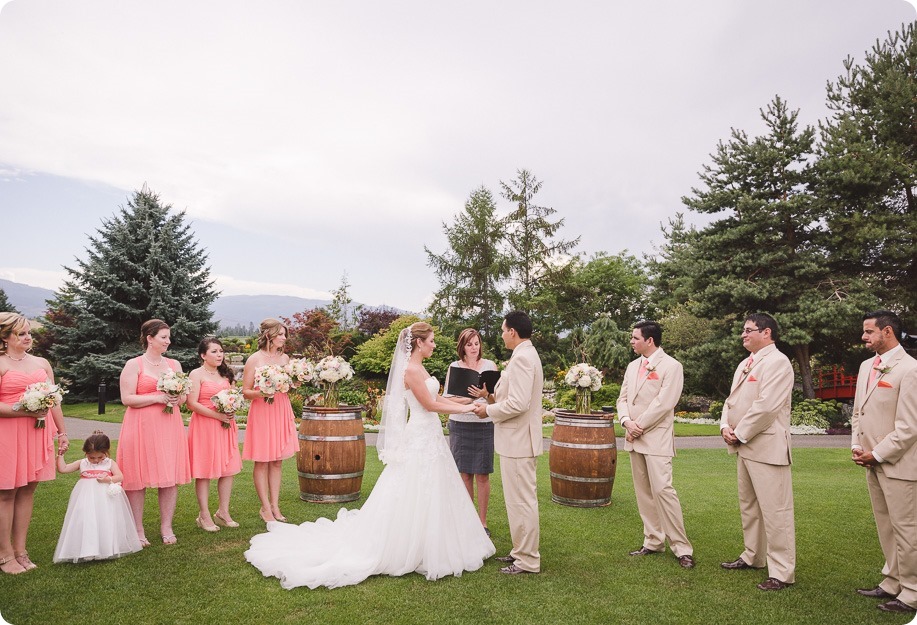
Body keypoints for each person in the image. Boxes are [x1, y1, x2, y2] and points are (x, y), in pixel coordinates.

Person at [244, 322, 495, 589]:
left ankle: (433, 540)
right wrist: (466, 410)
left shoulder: (421, 367)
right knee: (414, 488)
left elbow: (441, 398)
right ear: (419, 343)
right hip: (421, 435)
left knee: (434, 488)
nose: (435, 344)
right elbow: (430, 405)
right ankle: (407, 544)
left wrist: (469, 402)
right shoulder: (410, 370)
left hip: (430, 436)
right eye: (431, 340)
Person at [719, 312, 795, 591]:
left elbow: (767, 406)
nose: (743, 334)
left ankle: (782, 571)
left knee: (776, 511)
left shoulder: (778, 362)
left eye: (749, 330)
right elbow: (731, 401)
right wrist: (725, 425)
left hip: (767, 446)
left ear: (767, 333)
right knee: (749, 507)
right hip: (744, 446)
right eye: (743, 330)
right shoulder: (744, 363)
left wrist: (739, 434)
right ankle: (753, 556)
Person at [850, 310, 917, 615]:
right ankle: (892, 580)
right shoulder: (867, 366)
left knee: (907, 530)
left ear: (887, 331)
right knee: (885, 527)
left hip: (900, 464)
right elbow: (858, 413)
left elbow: (909, 427)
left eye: (868, 332)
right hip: (871, 461)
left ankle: (912, 592)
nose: (863, 337)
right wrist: (857, 446)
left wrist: (877, 453)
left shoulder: (910, 369)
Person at [617, 320, 694, 568]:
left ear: (649, 340)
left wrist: (639, 426)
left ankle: (682, 547)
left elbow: (665, 402)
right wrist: (627, 422)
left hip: (655, 437)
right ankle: (652, 540)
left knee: (663, 490)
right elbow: (623, 398)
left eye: (635, 337)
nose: (631, 341)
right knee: (644, 493)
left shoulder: (672, 366)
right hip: (634, 435)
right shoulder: (632, 366)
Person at [471, 311, 544, 575]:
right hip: (515, 440)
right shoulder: (522, 355)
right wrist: (489, 397)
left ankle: (528, 560)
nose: (501, 334)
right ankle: (519, 552)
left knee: (522, 502)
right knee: (516, 502)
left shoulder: (524, 358)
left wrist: (487, 411)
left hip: (520, 441)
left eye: (503, 330)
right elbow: (509, 397)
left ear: (512, 331)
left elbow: (519, 403)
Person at [0, 312, 69, 574]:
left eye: (30, 332)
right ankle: (5, 555)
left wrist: (62, 432)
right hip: (7, 434)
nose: (28, 337)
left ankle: (21, 550)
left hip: (38, 432)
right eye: (21, 333)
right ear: (6, 337)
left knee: (28, 490)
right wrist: (24, 411)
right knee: (6, 493)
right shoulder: (1, 364)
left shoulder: (42, 362)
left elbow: (54, 400)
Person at [117, 319, 191, 546]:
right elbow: (126, 398)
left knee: (169, 476)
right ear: (150, 338)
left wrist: (177, 398)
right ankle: (138, 529)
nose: (168, 341)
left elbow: (185, 397)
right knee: (137, 476)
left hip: (169, 426)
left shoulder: (174, 365)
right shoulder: (134, 365)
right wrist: (157, 397)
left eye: (169, 337)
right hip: (140, 426)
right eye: (164, 337)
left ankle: (166, 526)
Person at [53, 431, 142, 563]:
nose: (96, 461)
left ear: (106, 452)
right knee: (86, 519)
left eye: (100, 457)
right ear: (86, 453)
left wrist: (107, 479)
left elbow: (120, 476)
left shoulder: (109, 463)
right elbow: (63, 469)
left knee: (104, 518)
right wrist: (60, 455)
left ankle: (105, 548)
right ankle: (87, 548)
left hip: (104, 497)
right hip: (85, 496)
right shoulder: (82, 463)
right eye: (92, 458)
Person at [242, 318, 297, 524]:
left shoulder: (285, 359)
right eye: (281, 334)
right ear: (269, 336)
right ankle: (265, 507)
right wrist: (263, 392)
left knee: (276, 460)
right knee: (263, 459)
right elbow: (246, 392)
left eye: (284, 334)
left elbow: (288, 385)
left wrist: (295, 382)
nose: (284, 338)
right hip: (263, 410)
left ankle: (275, 505)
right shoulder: (254, 360)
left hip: (281, 408)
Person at [444, 328, 497, 535]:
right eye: (469, 344)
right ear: (462, 347)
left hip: (484, 424)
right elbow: (447, 399)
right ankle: (468, 521)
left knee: (482, 475)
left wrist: (485, 394)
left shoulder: (490, 366)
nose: (474, 348)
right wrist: (471, 399)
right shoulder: (454, 367)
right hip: (459, 424)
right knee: (465, 474)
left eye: (476, 343)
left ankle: (482, 523)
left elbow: (495, 400)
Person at [186, 337, 243, 532]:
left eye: (221, 351)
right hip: (205, 426)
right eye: (214, 351)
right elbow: (191, 403)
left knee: (228, 469)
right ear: (203, 355)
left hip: (226, 426)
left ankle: (223, 512)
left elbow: (234, 397)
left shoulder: (226, 374)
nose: (219, 355)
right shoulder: (196, 374)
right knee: (205, 470)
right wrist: (217, 415)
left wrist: (232, 409)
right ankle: (204, 514)